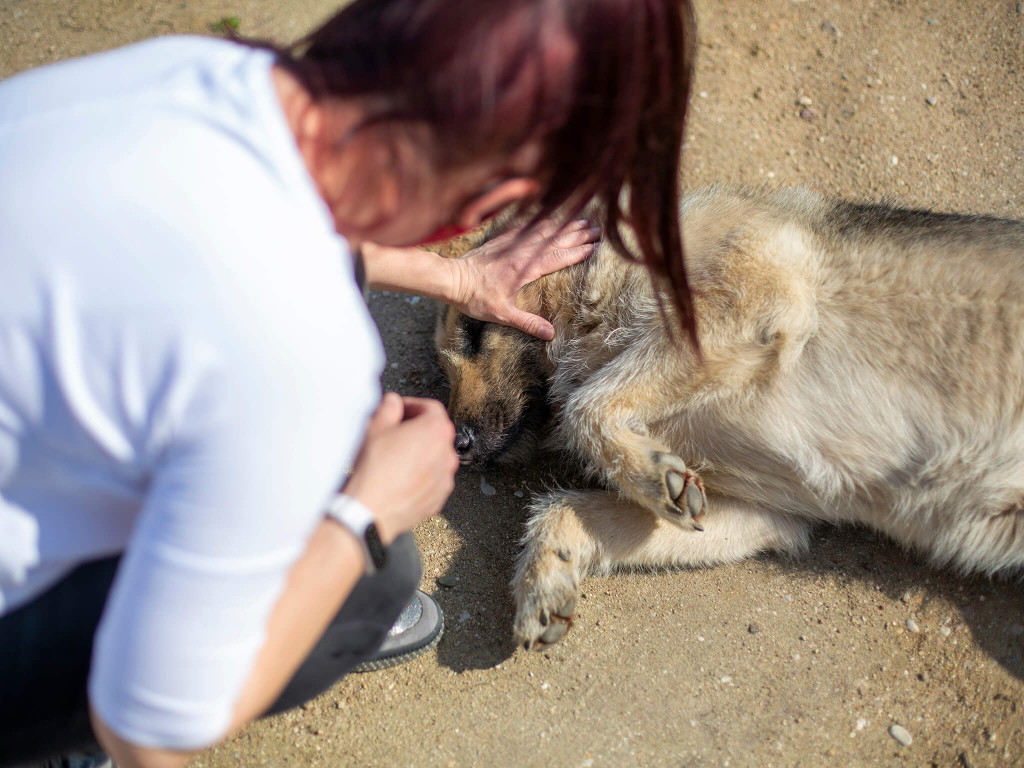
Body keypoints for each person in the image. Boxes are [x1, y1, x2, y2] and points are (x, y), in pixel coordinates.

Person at [0, 0, 697, 766]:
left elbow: (247, 230)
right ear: (485, 199)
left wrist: (458, 275)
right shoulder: (295, 348)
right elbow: (146, 729)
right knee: (373, 575)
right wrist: (364, 516)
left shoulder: (187, 71)